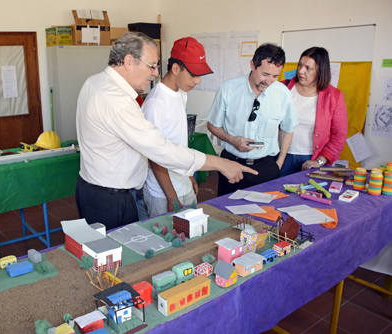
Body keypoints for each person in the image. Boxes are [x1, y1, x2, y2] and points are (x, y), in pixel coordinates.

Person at [75, 32, 257, 230]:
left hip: (103, 190)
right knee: (120, 256)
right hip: (110, 198)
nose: (155, 73)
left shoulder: (96, 81)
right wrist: (220, 163)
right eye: (151, 66)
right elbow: (160, 149)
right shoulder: (116, 100)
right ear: (129, 61)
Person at [207, 43, 298, 196]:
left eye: (275, 76)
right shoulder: (228, 89)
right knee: (225, 215)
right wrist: (233, 140)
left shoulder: (283, 94)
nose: (269, 81)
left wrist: (279, 163)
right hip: (231, 165)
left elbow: (288, 129)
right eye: (265, 74)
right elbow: (212, 125)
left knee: (265, 217)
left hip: (266, 168)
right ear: (252, 65)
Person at [142, 37, 213, 217]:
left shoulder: (181, 93)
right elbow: (155, 155)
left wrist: (189, 175)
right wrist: (171, 196)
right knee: (166, 241)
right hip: (163, 193)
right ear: (175, 68)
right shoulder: (156, 104)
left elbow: (179, 142)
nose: (197, 81)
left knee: (193, 235)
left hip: (183, 185)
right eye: (193, 75)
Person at [279, 47, 348, 176]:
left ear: (320, 70)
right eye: (300, 65)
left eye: (308, 68)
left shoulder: (334, 96)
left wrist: (320, 161)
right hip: (281, 157)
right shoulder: (282, 88)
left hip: (312, 159)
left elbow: (339, 135)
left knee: (307, 194)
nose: (301, 71)